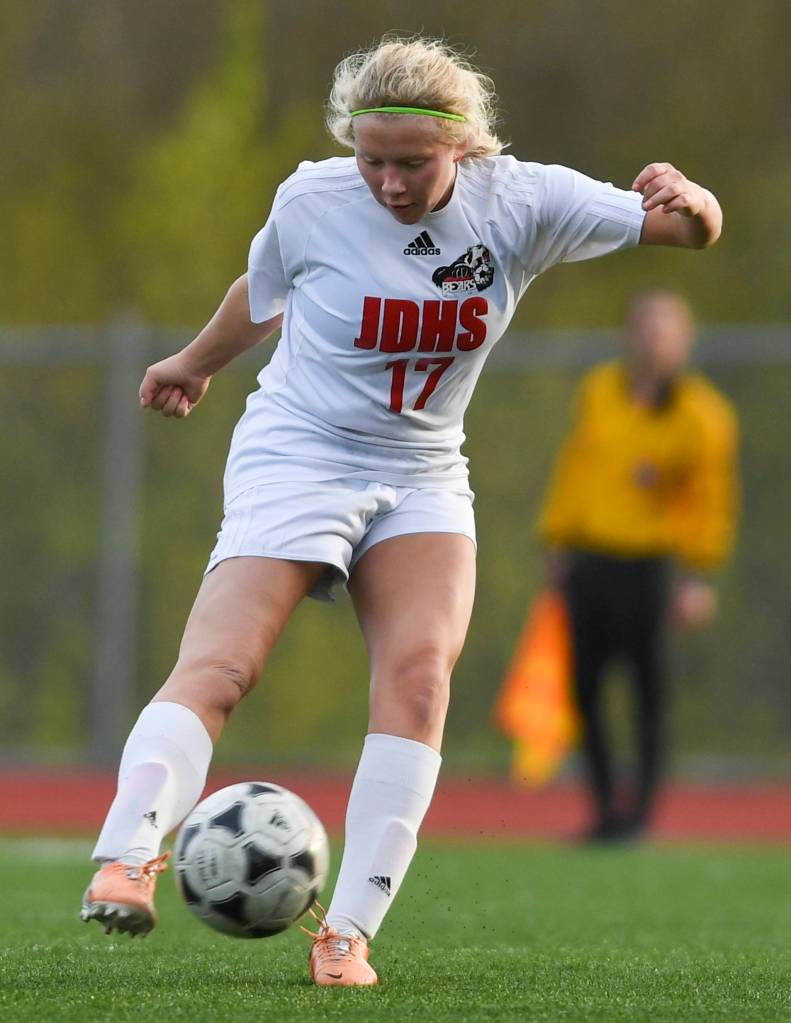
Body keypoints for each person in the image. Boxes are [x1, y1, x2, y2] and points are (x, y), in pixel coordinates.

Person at [79, 36, 723, 985]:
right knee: (221, 663)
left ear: (462, 147)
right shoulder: (312, 198)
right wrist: (192, 364)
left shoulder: (522, 199)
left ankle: (346, 934)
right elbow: (261, 295)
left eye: (409, 163)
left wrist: (696, 202)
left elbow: (686, 234)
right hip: (298, 451)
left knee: (420, 680)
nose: (385, 181)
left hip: (422, 467)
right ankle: (125, 854)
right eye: (370, 158)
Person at [538, 291, 739, 842]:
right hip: (590, 560)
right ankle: (604, 809)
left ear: (685, 340)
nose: (655, 338)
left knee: (649, 693)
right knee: (584, 690)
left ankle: (640, 816)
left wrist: (699, 575)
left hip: (651, 567)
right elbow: (575, 468)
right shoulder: (600, 390)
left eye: (667, 329)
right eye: (646, 326)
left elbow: (711, 501)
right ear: (629, 333)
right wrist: (557, 541)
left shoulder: (704, 415)